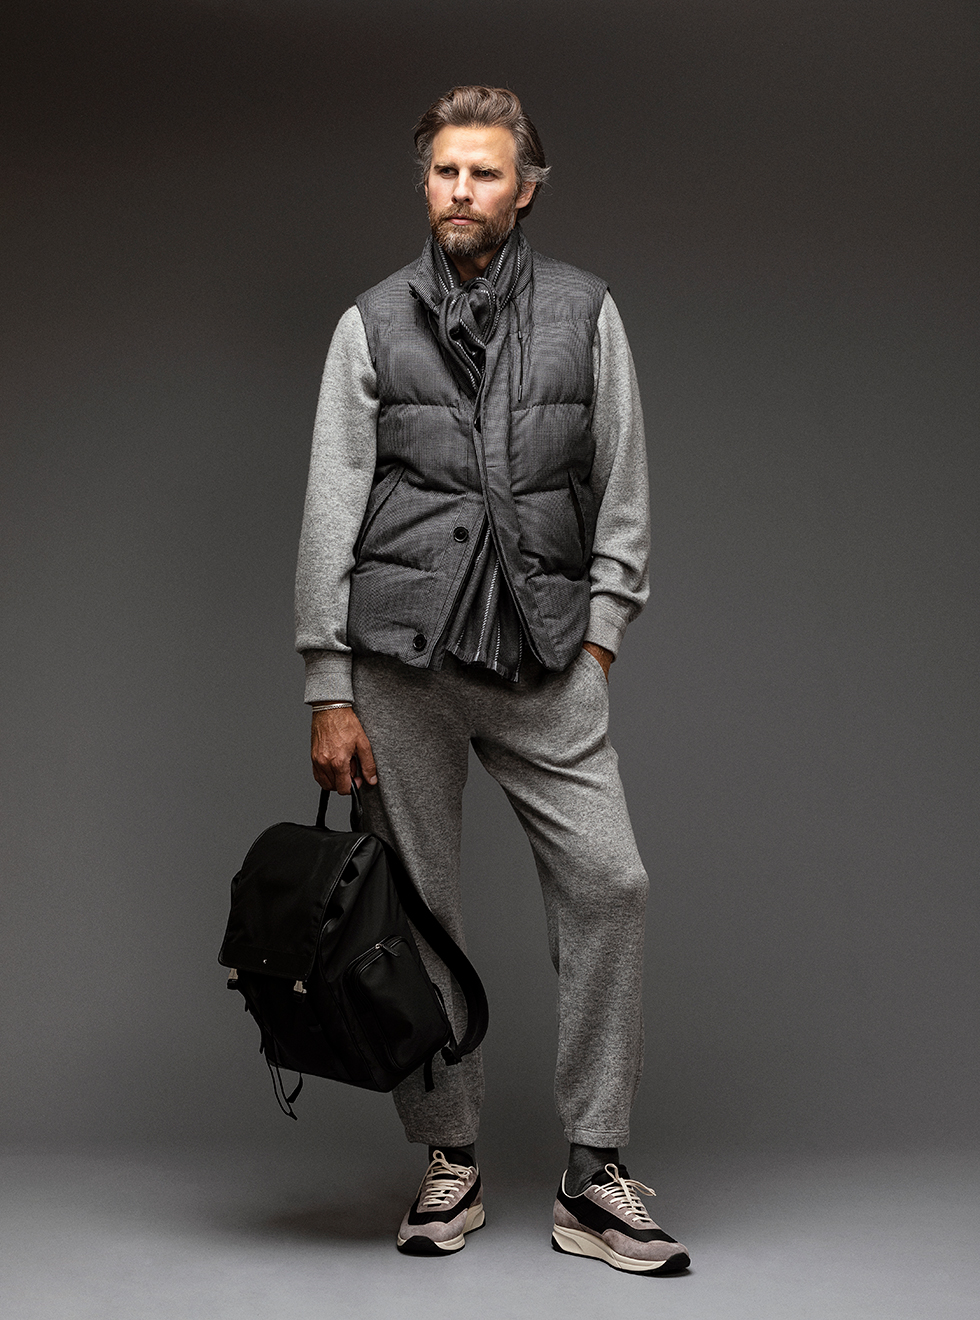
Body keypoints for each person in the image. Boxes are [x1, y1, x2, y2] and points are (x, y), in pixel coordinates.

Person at [294, 85, 689, 1275]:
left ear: (525, 190)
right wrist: (327, 683)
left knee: (610, 883)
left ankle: (593, 1170)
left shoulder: (584, 311)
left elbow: (621, 487)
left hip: (543, 655)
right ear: (424, 183)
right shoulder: (370, 322)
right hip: (398, 665)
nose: (460, 190)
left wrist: (601, 634)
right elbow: (330, 505)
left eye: (484, 172)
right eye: (443, 172)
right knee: (419, 915)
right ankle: (448, 1158)